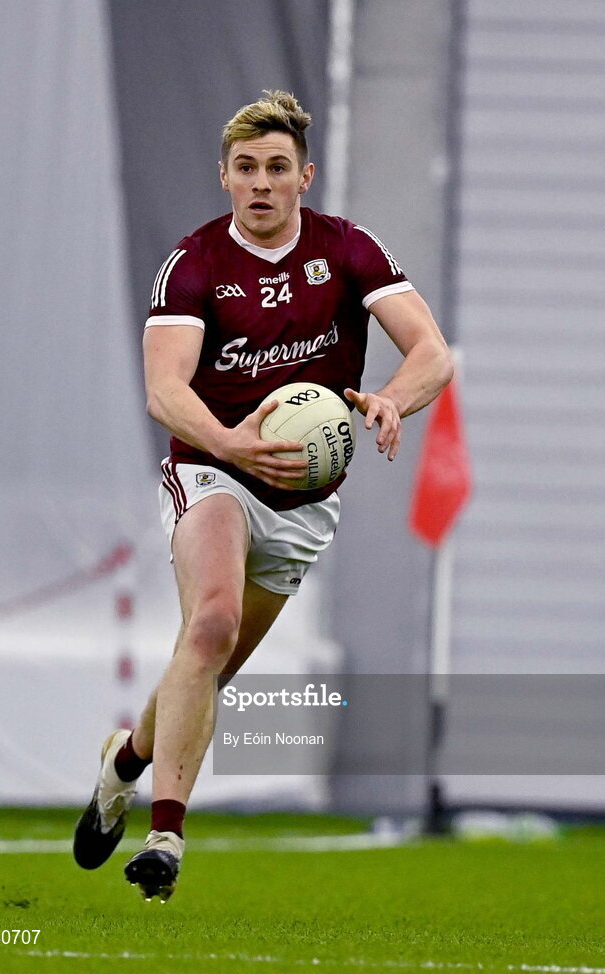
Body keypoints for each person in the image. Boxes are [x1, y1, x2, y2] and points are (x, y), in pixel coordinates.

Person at [73, 90, 453, 900]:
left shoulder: (347, 250)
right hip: (212, 468)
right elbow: (164, 389)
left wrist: (391, 397)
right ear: (224, 177)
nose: (261, 183)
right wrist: (229, 441)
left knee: (206, 671)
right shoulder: (196, 262)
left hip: (304, 501)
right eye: (246, 168)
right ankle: (166, 837)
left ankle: (127, 762)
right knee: (206, 622)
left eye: (277, 168)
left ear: (304, 176)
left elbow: (432, 352)